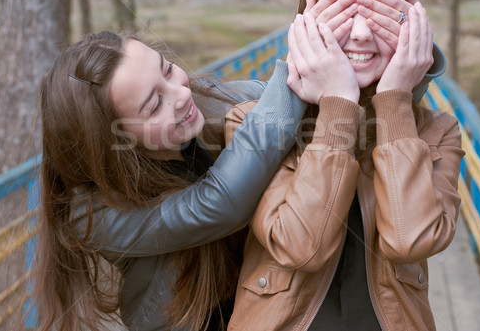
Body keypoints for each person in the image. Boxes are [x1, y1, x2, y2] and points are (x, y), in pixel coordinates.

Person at [35, 26, 363, 331]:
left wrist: (381, 57)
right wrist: (296, 68)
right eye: (154, 105)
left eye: (166, 69)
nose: (180, 93)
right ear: (112, 146)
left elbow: (293, 102)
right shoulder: (95, 214)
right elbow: (219, 203)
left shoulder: (203, 99)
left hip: (265, 307)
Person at [227, 0, 464, 330]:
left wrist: (393, 99)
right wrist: (338, 104)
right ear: (306, 24)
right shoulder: (249, 122)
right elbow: (302, 248)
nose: (359, 34)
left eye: (376, 12)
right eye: (341, 12)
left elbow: (411, 241)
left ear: (410, 19)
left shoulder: (439, 131)